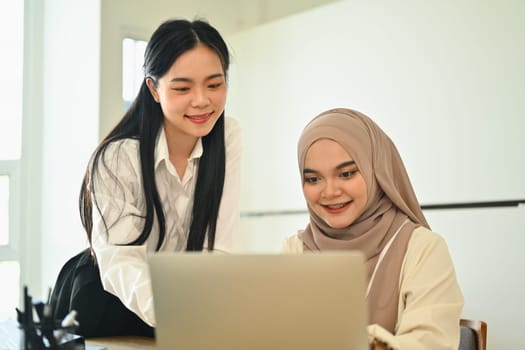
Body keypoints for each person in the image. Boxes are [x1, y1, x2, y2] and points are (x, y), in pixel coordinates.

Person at [78, 18, 241, 328]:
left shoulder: (228, 138)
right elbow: (121, 262)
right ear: (153, 89)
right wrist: (175, 313)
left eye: (215, 84)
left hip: (187, 314)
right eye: (182, 87)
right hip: (115, 311)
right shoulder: (118, 158)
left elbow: (219, 248)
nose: (202, 100)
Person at [282, 108, 463, 349]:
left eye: (346, 173)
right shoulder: (295, 250)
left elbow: (430, 343)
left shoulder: (422, 249)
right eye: (314, 179)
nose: (330, 192)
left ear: (375, 170)